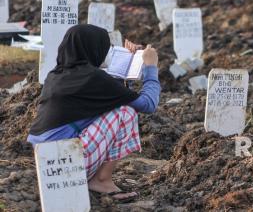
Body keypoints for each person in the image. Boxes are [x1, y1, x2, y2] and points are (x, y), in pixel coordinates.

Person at [27, 24, 161, 202]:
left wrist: (132, 61)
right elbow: (148, 104)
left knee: (115, 108)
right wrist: (150, 67)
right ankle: (101, 180)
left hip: (45, 163)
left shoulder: (57, 74)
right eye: (106, 48)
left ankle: (97, 178)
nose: (107, 52)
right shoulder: (93, 78)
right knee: (126, 113)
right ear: (93, 49)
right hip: (66, 165)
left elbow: (112, 95)